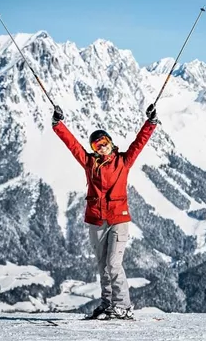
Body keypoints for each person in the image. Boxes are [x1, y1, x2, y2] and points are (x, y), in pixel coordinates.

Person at [51, 104, 158, 320]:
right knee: (102, 265)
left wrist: (151, 123)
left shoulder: (123, 161)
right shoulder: (90, 163)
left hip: (118, 219)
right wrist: (57, 124)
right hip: (96, 220)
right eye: (97, 144)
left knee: (114, 264)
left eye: (105, 142)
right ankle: (107, 303)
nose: (102, 147)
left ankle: (123, 306)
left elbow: (139, 143)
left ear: (111, 142)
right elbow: (72, 145)